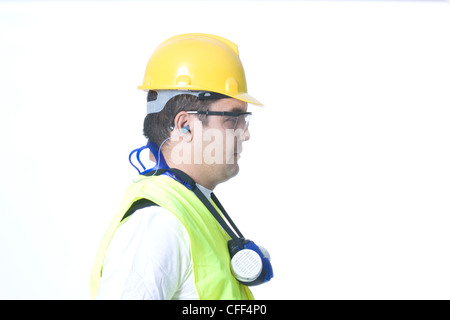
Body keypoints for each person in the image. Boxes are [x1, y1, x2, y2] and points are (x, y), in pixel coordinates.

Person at [90, 33, 272, 300]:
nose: (245, 134)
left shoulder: (191, 208)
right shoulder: (156, 223)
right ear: (185, 125)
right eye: (233, 118)